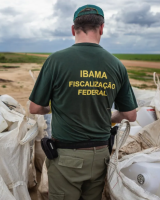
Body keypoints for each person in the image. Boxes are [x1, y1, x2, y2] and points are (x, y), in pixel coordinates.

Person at [29, 4, 137, 200]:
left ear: (73, 29)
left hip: (66, 158)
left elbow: (35, 107)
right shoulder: (116, 65)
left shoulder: (56, 61)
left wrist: (54, 108)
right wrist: (110, 116)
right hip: (101, 156)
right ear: (101, 28)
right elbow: (130, 115)